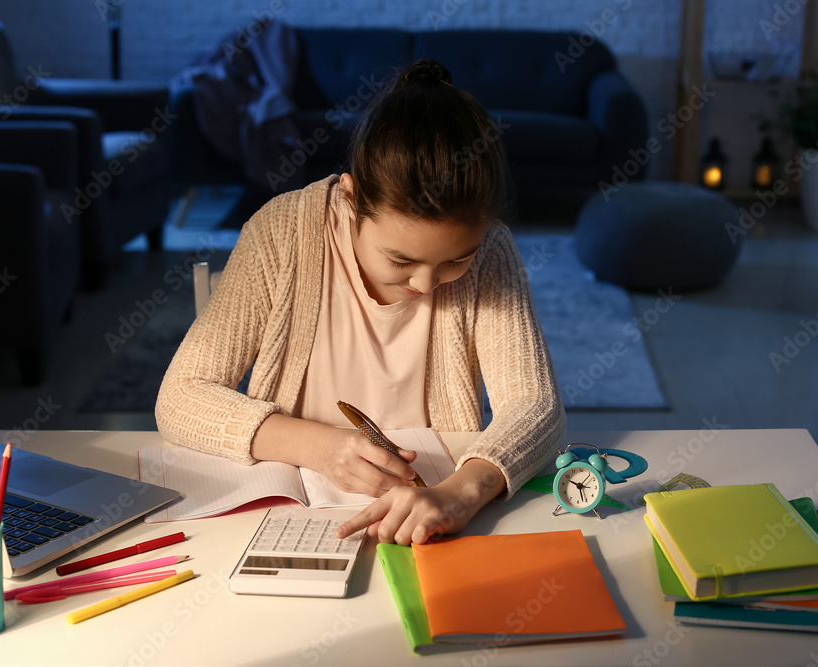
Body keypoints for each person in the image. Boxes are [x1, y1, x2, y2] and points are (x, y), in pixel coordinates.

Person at [155, 57, 565, 545]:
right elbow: (180, 397)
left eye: (457, 261)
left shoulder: (493, 250)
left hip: (425, 520)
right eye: (400, 260)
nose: (427, 285)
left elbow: (536, 406)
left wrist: (459, 493)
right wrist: (321, 447)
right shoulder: (281, 231)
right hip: (294, 518)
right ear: (350, 199)